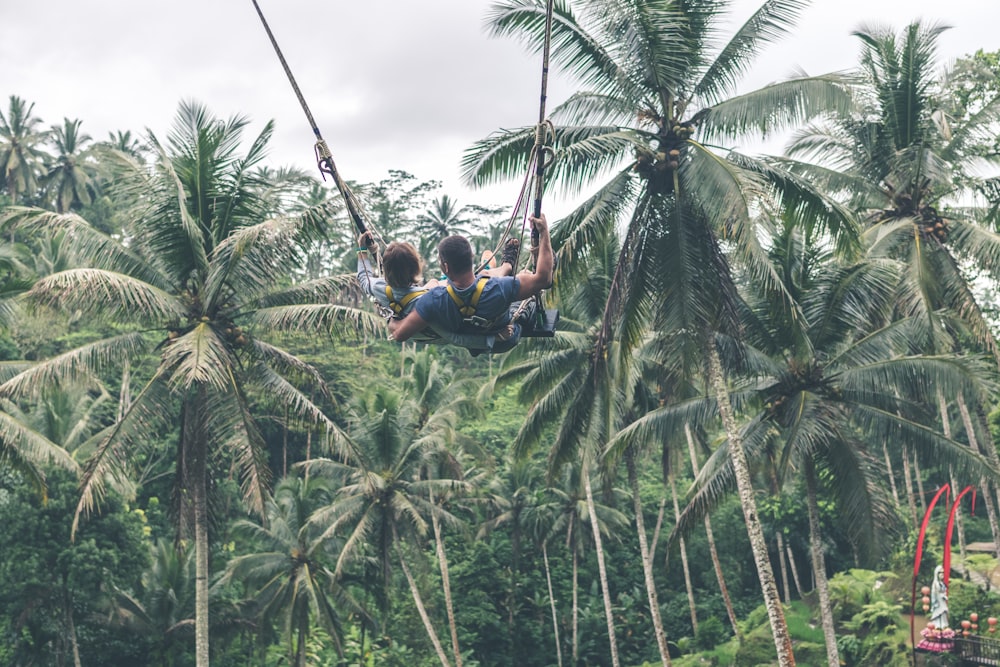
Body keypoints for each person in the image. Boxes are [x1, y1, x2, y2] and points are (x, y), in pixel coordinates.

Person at [387, 213, 554, 354]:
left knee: (484, 277)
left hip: (470, 340)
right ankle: (506, 266)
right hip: (503, 337)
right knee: (520, 282)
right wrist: (544, 232)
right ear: (471, 258)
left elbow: (400, 334)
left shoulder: (433, 300)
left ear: (446, 267)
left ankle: (505, 266)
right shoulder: (500, 289)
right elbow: (543, 279)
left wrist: (391, 318)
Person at [356, 232, 518, 351]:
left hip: (420, 335)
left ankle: (488, 269)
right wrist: (493, 338)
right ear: (416, 270)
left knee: (434, 283)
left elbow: (364, 278)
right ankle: (504, 267)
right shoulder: (431, 302)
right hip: (438, 332)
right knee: (481, 278)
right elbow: (455, 338)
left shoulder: (380, 290)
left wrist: (362, 250)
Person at [929, 564, 949, 629]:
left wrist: (944, 596)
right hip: (938, 602)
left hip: (943, 601)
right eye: (940, 572)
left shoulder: (942, 583)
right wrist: (935, 602)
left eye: (943, 572)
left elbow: (944, 591)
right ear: (937, 574)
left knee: (943, 614)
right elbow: (933, 594)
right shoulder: (935, 583)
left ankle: (943, 626)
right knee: (938, 614)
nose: (942, 574)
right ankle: (937, 626)